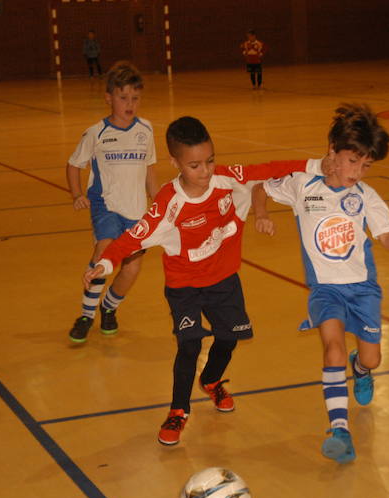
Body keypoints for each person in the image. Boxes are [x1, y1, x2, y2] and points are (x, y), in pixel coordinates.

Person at [83, 116, 324, 446]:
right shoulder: (169, 203)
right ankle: (178, 411)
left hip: (225, 281)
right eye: (195, 165)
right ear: (175, 163)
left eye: (210, 160)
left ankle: (211, 381)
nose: (206, 171)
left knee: (229, 340)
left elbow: (271, 168)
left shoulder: (228, 179)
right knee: (189, 345)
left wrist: (319, 165)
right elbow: (133, 238)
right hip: (185, 287)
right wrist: (105, 262)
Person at [252, 104, 389, 464]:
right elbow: (259, 187)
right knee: (330, 348)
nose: (357, 172)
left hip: (362, 290)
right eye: (352, 161)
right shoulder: (304, 185)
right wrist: (262, 213)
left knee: (372, 357)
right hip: (325, 289)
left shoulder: (366, 196)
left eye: (365, 166)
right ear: (332, 152)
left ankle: (360, 368)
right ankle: (340, 430)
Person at [67, 62, 158, 343]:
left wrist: (160, 203)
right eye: (123, 98)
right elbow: (73, 165)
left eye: (135, 98)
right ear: (108, 98)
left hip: (136, 210)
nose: (130, 104)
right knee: (104, 253)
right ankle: (86, 315)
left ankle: (109, 308)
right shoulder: (96, 133)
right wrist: (77, 194)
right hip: (106, 206)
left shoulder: (146, 129)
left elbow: (150, 169)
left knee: (131, 268)